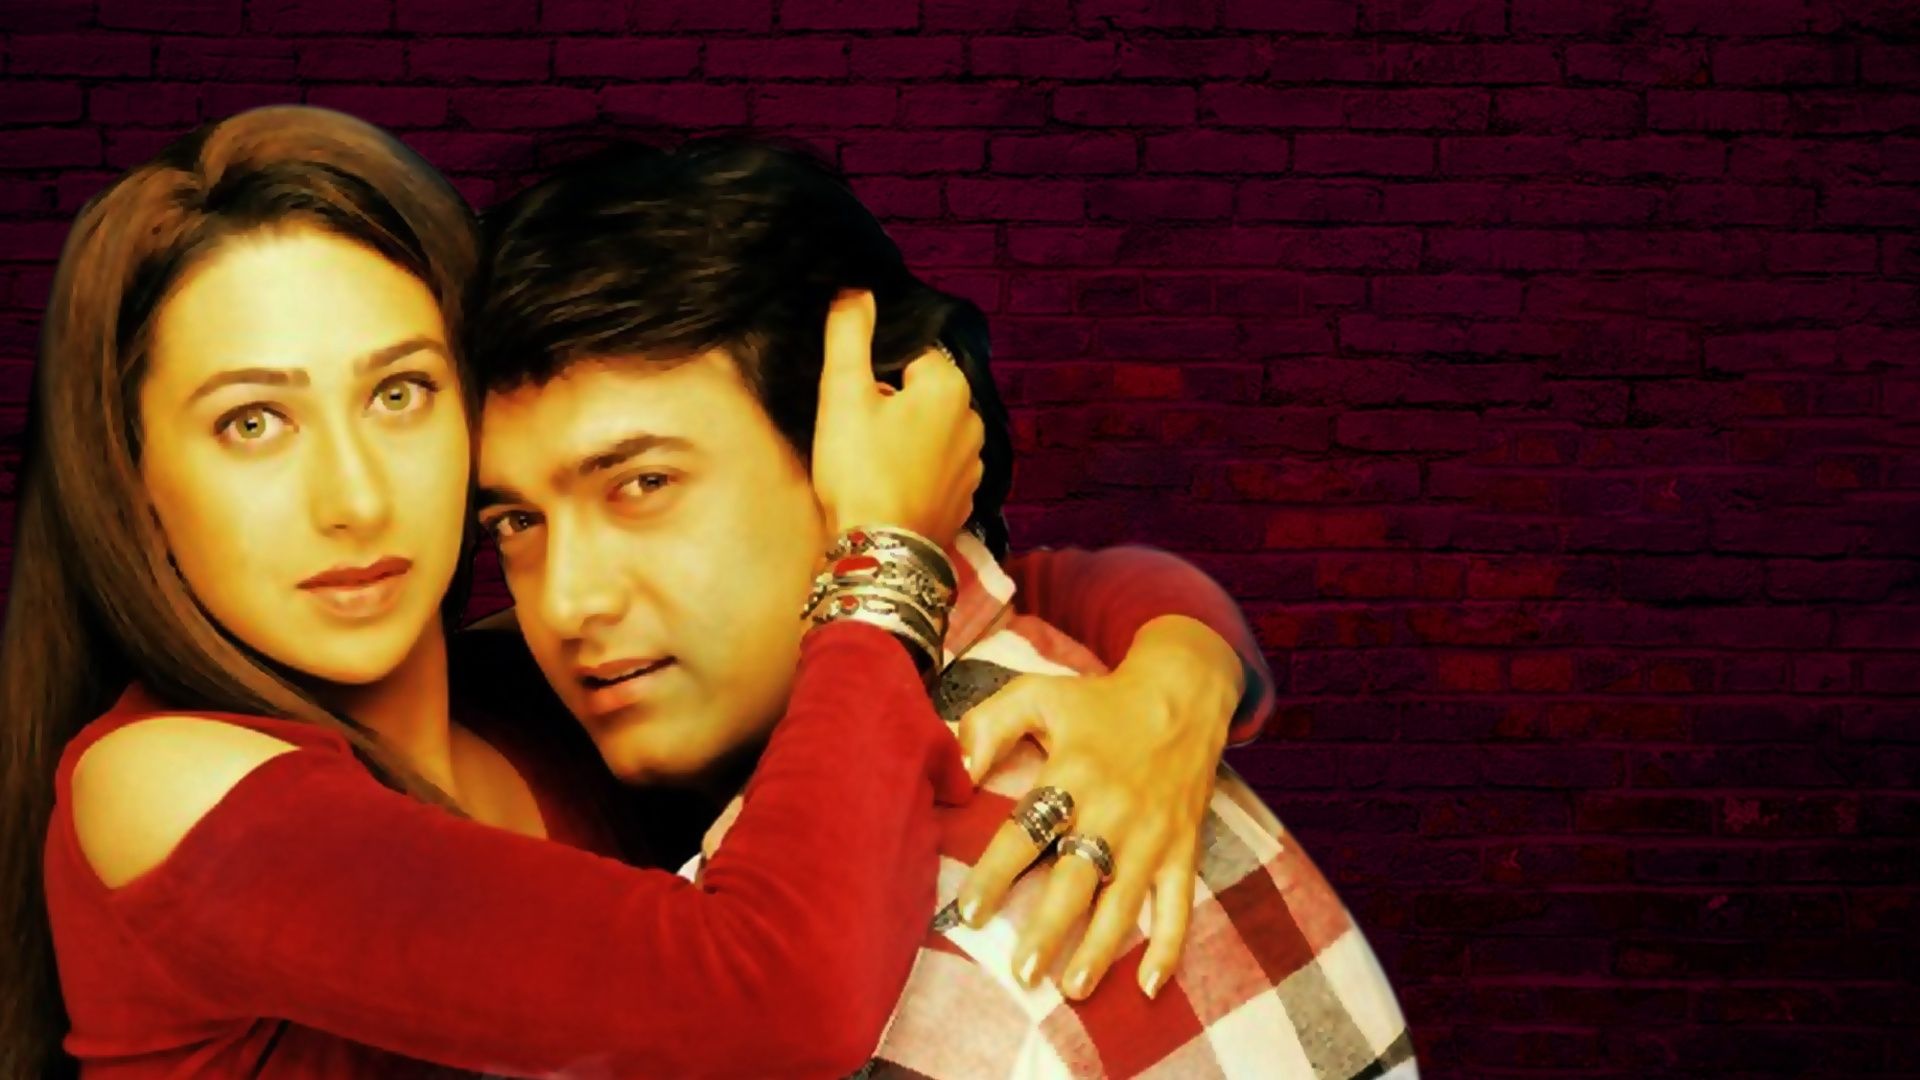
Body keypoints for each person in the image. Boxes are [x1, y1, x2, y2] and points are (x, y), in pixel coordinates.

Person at [0, 107, 1275, 1078]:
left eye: (400, 393)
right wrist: (886, 542)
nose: (354, 496)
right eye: (252, 423)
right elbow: (772, 1004)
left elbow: (1054, 581)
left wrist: (1178, 683)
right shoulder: (159, 785)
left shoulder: (540, 686)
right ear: (133, 476)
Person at [467, 140, 1419, 1077]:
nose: (568, 600)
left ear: (868, 441)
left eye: (643, 484)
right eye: (514, 521)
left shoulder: (935, 964)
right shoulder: (1067, 685)